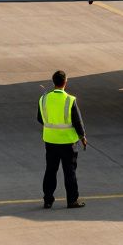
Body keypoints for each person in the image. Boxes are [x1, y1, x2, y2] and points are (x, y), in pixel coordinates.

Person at [37, 70, 87, 209]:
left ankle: (48, 200)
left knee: (50, 171)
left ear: (54, 82)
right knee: (69, 172)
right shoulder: (70, 100)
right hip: (68, 142)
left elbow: (40, 118)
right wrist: (82, 137)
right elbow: (78, 122)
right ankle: (72, 200)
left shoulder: (44, 99)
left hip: (50, 141)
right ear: (65, 82)